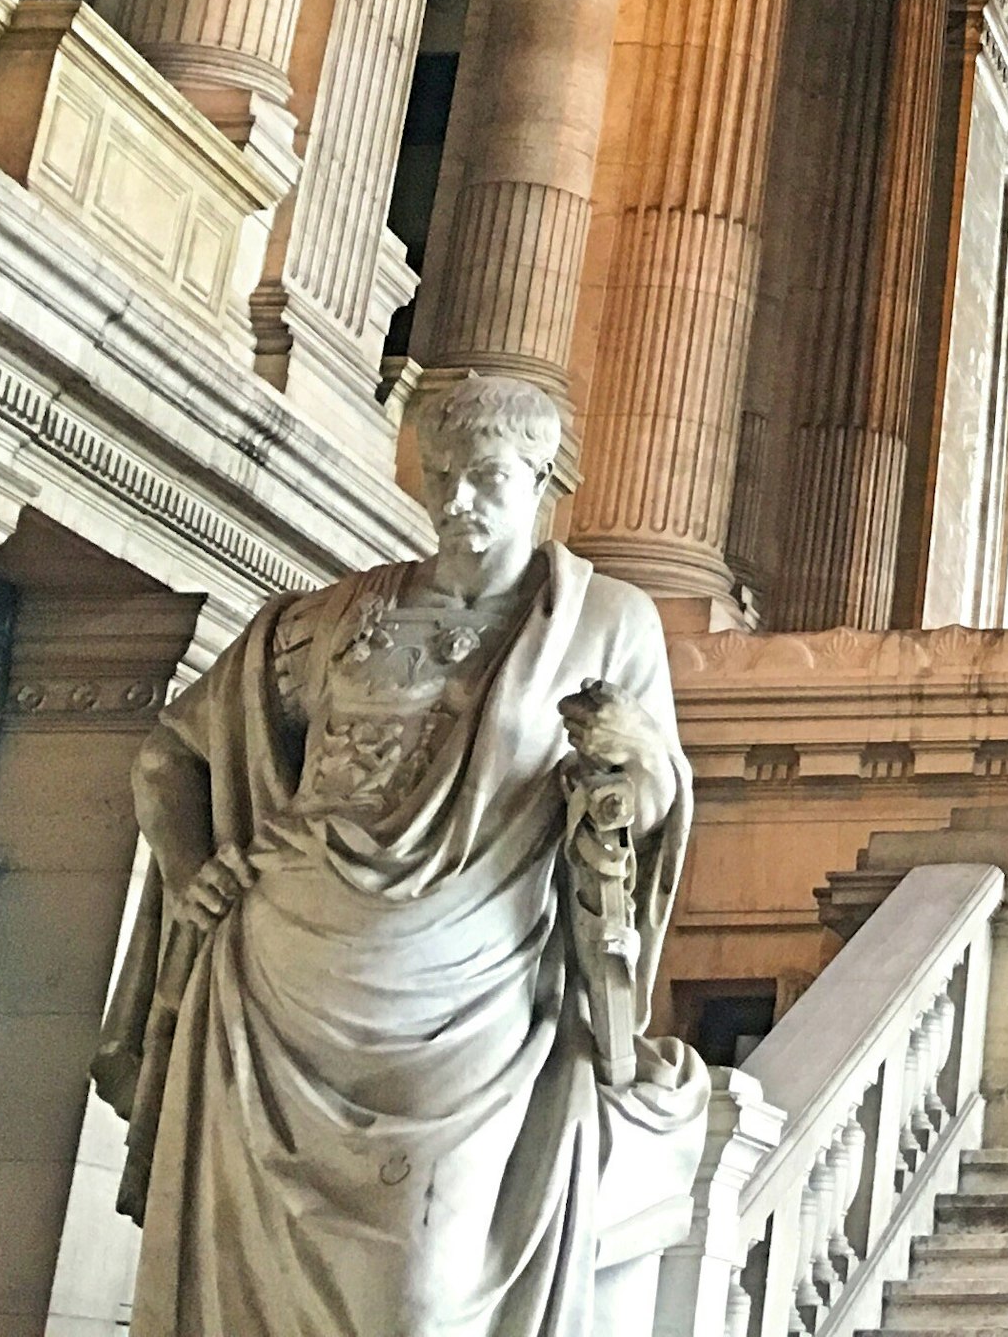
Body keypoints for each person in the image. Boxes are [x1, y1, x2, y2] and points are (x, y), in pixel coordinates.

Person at [93, 373, 706, 1337]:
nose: (457, 500)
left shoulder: (607, 622)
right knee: (238, 1300)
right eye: (441, 476)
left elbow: (649, 798)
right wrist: (190, 875)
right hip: (276, 986)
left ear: (545, 479)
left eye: (487, 478)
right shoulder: (328, 620)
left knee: (424, 1295)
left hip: (471, 1007)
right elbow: (172, 753)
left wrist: (632, 756)